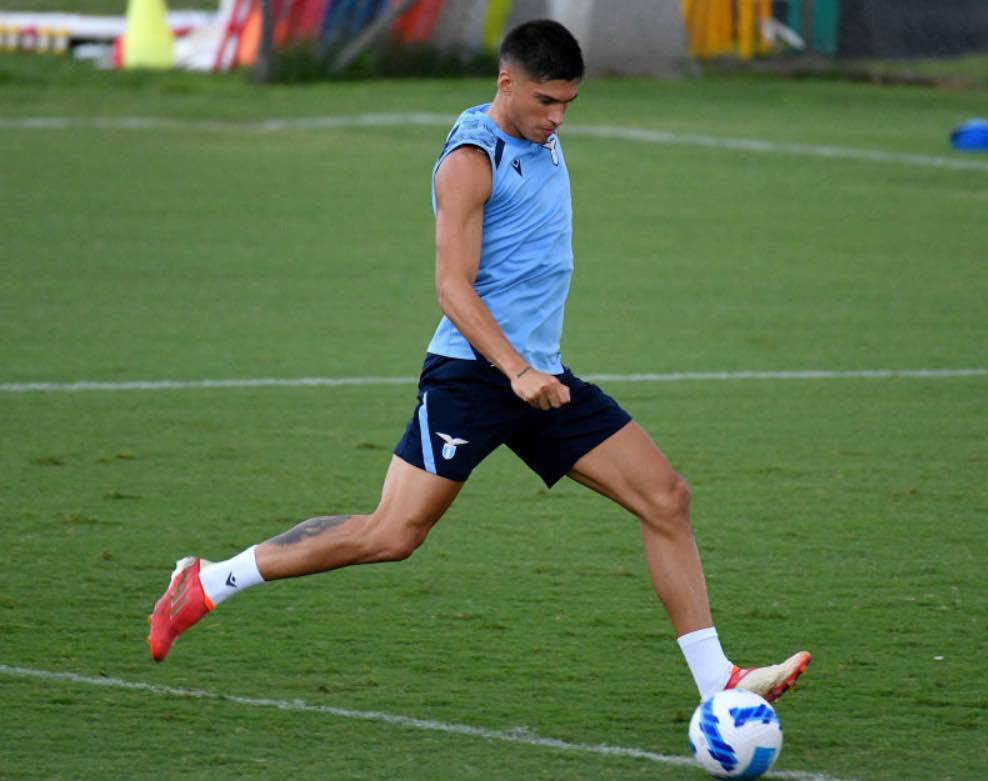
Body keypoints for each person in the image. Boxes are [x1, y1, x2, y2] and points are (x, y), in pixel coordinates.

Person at [148, 19, 810, 704]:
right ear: (506, 83)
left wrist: (531, 372)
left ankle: (717, 682)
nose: (556, 119)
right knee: (393, 533)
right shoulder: (472, 159)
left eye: (567, 105)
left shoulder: (537, 135)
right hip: (473, 374)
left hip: (540, 377)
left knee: (666, 497)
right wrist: (514, 371)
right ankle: (209, 580)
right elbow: (451, 286)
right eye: (544, 102)